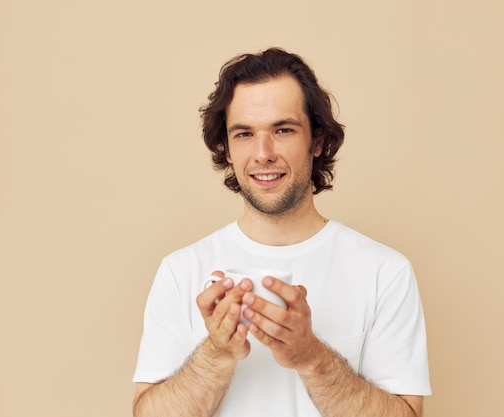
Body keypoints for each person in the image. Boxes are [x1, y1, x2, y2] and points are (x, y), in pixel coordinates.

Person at [132, 47, 431, 417]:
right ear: (226, 148)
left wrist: (311, 357)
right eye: (244, 134)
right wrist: (216, 354)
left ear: (317, 141)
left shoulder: (385, 272)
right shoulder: (180, 272)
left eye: (283, 130)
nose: (263, 153)